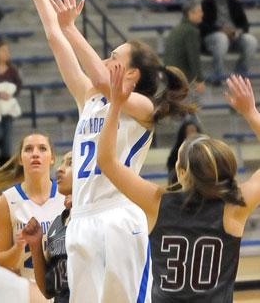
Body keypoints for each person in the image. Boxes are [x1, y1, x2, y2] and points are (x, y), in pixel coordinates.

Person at [0, 0, 196, 303]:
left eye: (113, 56)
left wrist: (73, 30)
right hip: (82, 220)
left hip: (119, 218)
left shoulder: (143, 109)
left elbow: (102, 76)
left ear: (132, 73)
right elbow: (56, 38)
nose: (104, 59)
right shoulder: (89, 98)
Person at [97, 66, 260, 303]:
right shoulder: (234, 207)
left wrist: (115, 105)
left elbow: (107, 161)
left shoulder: (156, 202)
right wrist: (251, 112)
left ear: (181, 172)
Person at [0, 132, 65, 302]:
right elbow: (2, 262)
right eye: (28, 149)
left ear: (52, 158)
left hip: (61, 290)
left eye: (42, 148)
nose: (35, 153)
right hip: (24, 291)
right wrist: (18, 247)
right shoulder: (5, 202)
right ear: (21, 159)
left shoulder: (65, 195)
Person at [21, 151, 72, 303]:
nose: (60, 169)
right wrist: (35, 245)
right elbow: (48, 289)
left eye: (70, 163)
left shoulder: (95, 217)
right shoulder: (58, 222)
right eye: (61, 162)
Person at [200, 0, 258, 84]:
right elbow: (204, 26)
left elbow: (244, 24)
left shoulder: (234, 3)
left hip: (234, 35)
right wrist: (221, 30)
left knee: (251, 41)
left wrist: (237, 32)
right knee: (221, 38)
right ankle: (219, 77)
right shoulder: (206, 3)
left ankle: (239, 75)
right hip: (213, 37)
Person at [164, 0, 205, 94]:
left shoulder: (177, 28)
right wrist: (199, 80)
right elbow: (193, 57)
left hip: (171, 76)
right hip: (183, 78)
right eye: (199, 11)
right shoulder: (191, 31)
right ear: (191, 13)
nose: (202, 14)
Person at [166, 118, 202, 184]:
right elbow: (172, 176)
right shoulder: (176, 153)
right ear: (184, 134)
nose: (192, 134)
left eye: (194, 131)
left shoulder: (204, 152)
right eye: (190, 131)